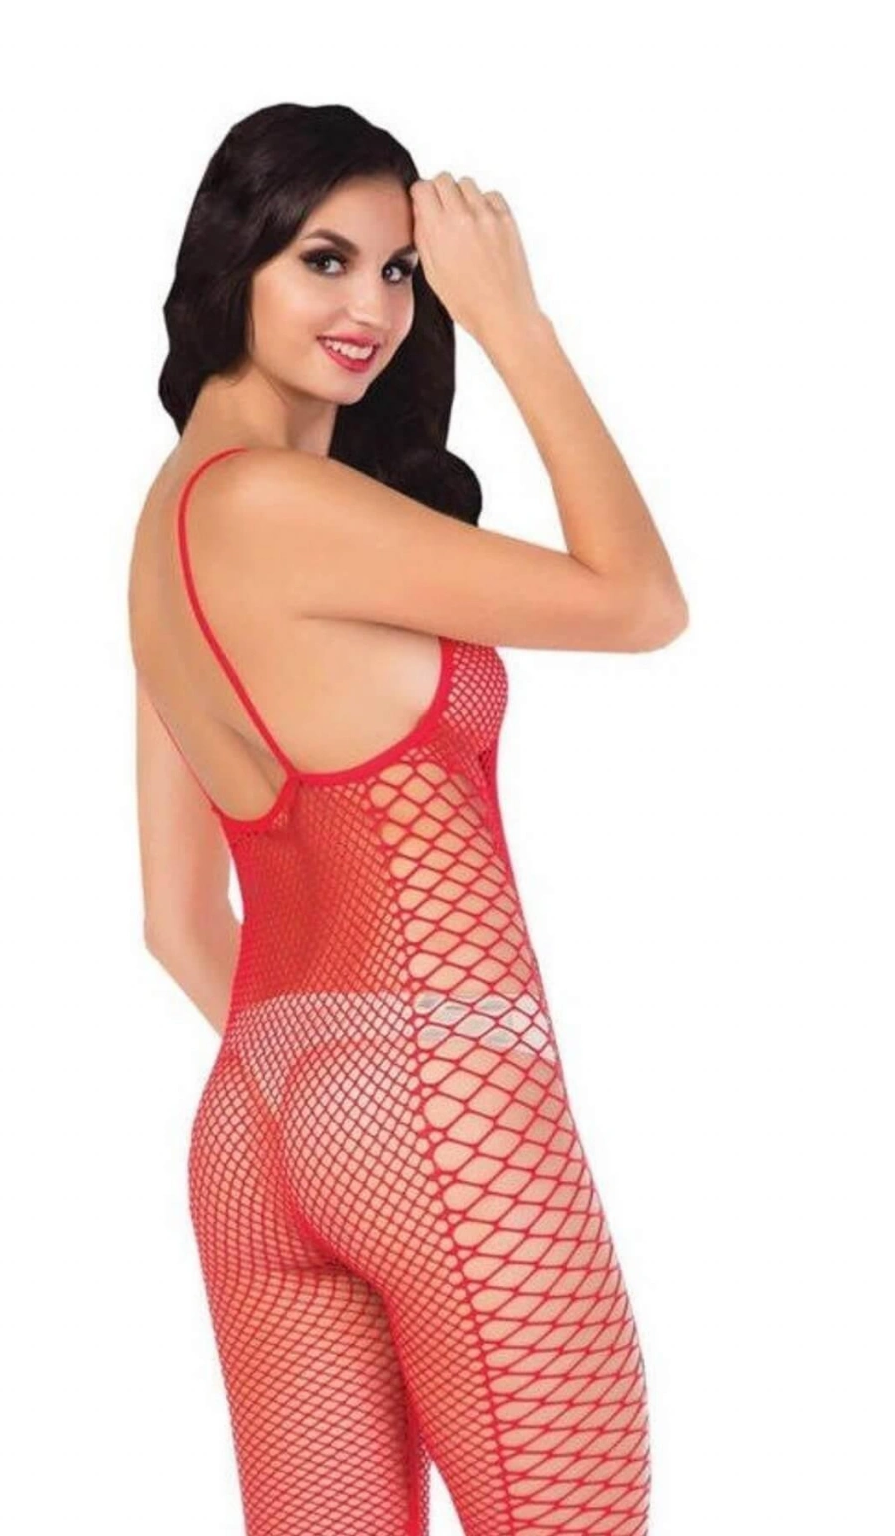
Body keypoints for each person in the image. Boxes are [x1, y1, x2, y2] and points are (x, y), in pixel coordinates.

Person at [128, 103, 686, 1536]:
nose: (372, 308)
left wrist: (329, 1091)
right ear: (235, 260)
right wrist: (513, 322)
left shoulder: (166, 526)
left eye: (401, 272)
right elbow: (638, 602)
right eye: (325, 260)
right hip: (446, 1103)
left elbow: (178, 920)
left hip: (257, 1121)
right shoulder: (274, 506)